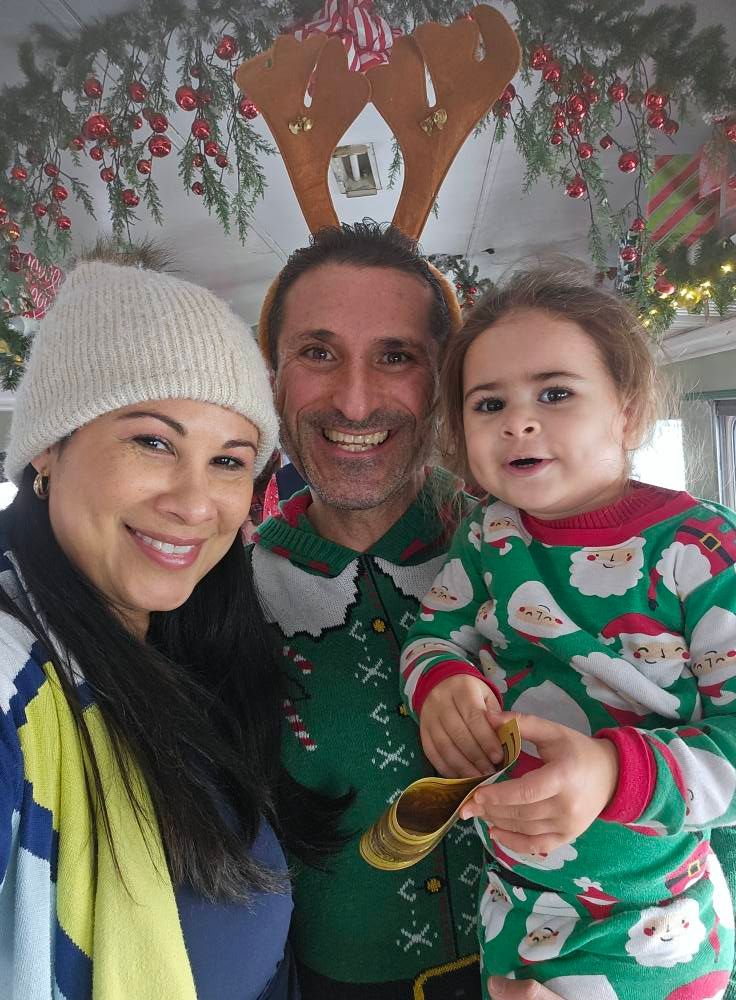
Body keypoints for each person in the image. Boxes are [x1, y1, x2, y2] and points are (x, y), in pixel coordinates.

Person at [0, 258, 339, 1000]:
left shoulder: (190, 645)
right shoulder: (15, 676)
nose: (195, 503)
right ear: (49, 449)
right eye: (153, 442)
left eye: (228, 461)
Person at [400, 263, 736, 998]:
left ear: (627, 408)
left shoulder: (703, 552)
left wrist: (616, 774)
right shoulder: (488, 537)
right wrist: (440, 681)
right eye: (489, 403)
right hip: (513, 907)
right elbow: (434, 632)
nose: (519, 420)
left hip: (654, 924)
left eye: (555, 393)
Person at [250, 221, 490, 999]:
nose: (354, 401)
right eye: (318, 353)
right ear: (273, 377)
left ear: (440, 380)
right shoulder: (217, 600)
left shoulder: (533, 557)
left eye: (396, 356)